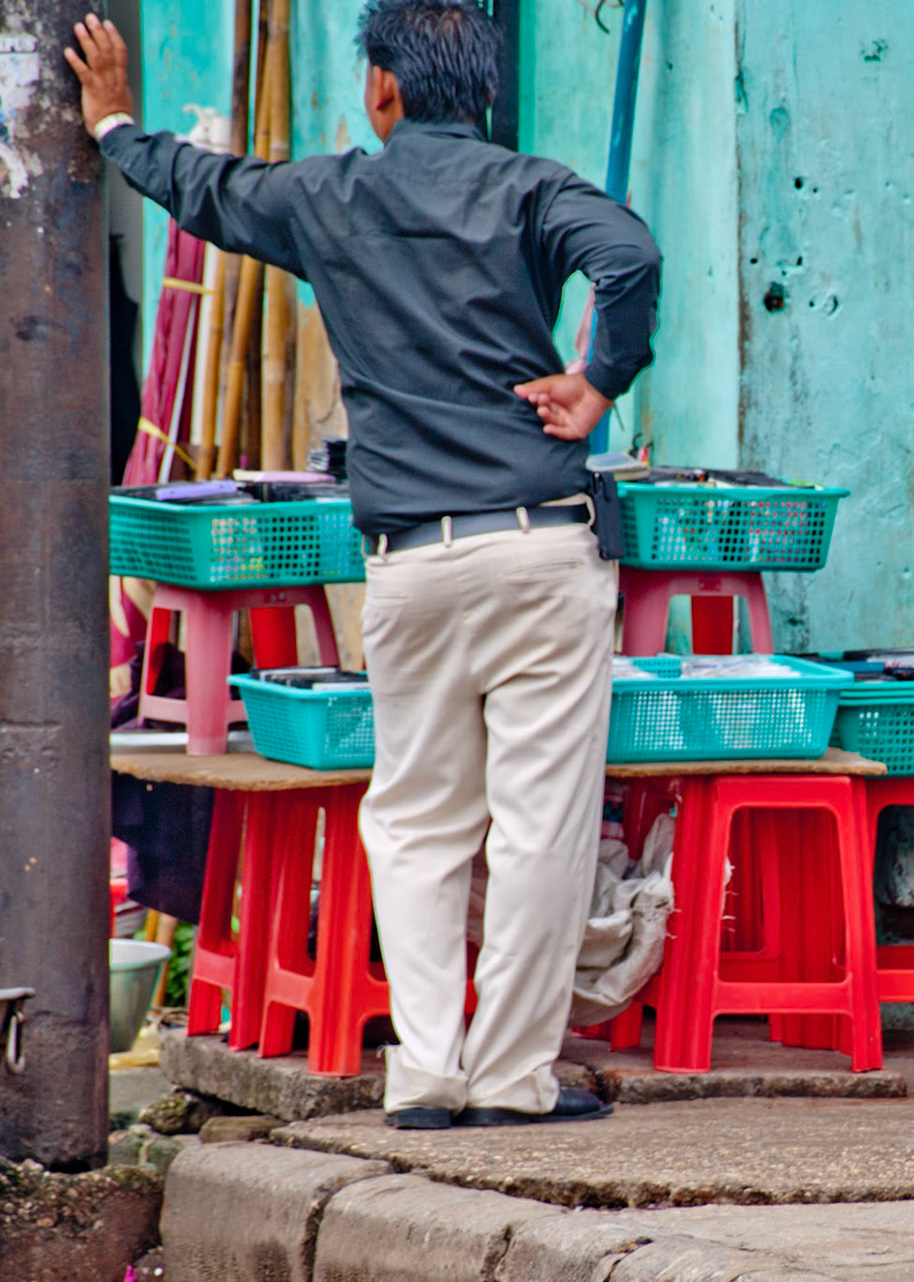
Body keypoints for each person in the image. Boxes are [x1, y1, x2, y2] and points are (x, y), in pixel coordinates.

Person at [68, 3, 662, 1129]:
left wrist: (113, 126)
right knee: (540, 826)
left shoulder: (330, 196)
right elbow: (628, 255)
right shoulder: (531, 186)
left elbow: (204, 188)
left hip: (414, 561)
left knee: (419, 820)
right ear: (480, 92)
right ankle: (513, 1078)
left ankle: (428, 1073)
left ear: (384, 88)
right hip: (541, 545)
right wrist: (599, 382)